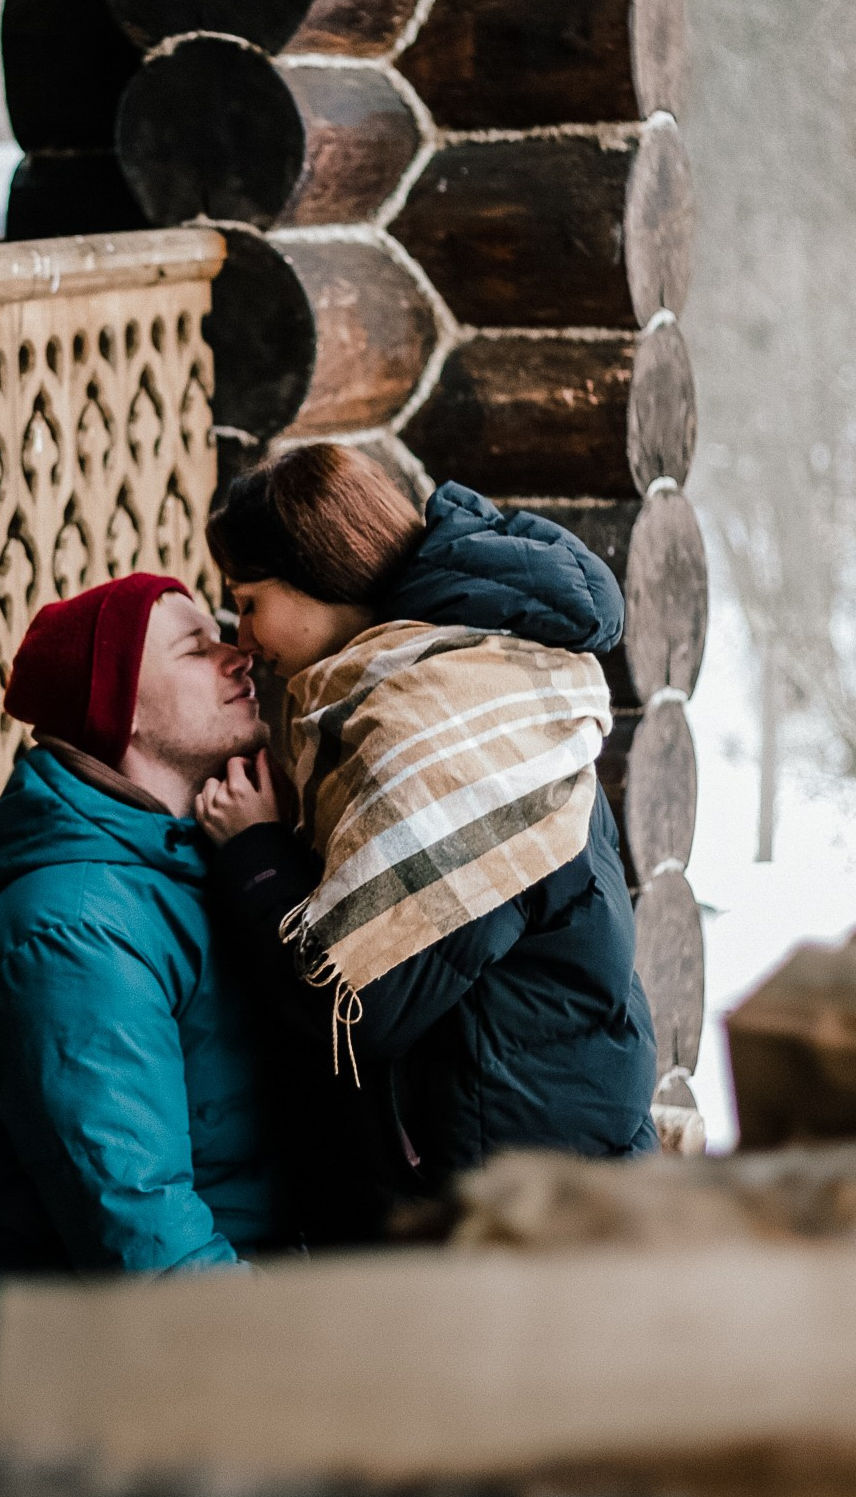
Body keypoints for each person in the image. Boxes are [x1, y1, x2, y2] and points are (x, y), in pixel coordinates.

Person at [198, 446, 657, 1220]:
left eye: (249, 603)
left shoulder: (433, 721)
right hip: (547, 1147)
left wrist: (256, 854)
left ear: (314, 572)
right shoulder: (468, 673)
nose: (242, 637)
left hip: (515, 1195)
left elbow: (368, 1005)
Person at [0, 570, 281, 1376]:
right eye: (196, 648)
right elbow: (148, 1249)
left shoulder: (185, 873)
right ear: (120, 708)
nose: (238, 655)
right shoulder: (71, 932)